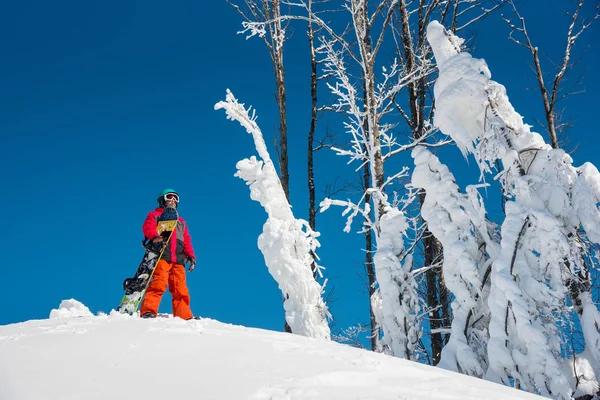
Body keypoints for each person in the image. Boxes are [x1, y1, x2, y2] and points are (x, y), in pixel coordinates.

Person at [139, 189, 197, 320]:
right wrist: (155, 237)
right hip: (162, 255)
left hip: (179, 259)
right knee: (158, 283)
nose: (173, 200)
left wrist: (191, 255)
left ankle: (184, 315)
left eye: (175, 198)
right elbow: (148, 228)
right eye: (169, 197)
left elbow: (186, 239)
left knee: (180, 289)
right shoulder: (154, 215)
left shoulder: (181, 222)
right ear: (162, 200)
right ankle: (148, 311)